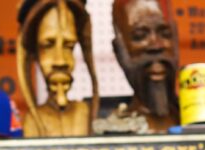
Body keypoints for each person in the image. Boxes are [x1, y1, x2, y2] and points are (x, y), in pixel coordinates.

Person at [16, 0, 98, 137]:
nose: (60, 61)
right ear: (34, 54)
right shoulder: (30, 122)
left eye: (69, 46)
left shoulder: (86, 116)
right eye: (48, 45)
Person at [107, 0, 179, 133]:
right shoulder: (112, 130)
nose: (156, 45)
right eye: (140, 36)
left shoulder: (199, 121)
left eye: (165, 34)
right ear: (119, 50)